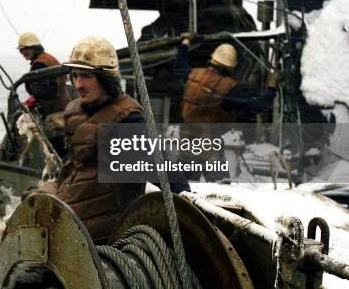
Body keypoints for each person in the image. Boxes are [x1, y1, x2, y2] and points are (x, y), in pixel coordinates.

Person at [37, 36, 189, 243]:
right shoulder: (74, 111)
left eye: (87, 76)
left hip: (98, 230)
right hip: (67, 211)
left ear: (106, 78)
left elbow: (161, 167)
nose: (79, 84)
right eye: (75, 76)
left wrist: (187, 201)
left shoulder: (127, 119)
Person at [174, 33, 279, 180]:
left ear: (212, 59)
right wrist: (272, 86)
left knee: (183, 189)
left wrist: (185, 41)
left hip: (186, 141)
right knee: (219, 190)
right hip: (209, 147)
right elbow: (256, 106)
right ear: (230, 67)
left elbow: (180, 64)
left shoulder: (193, 74)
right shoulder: (228, 88)